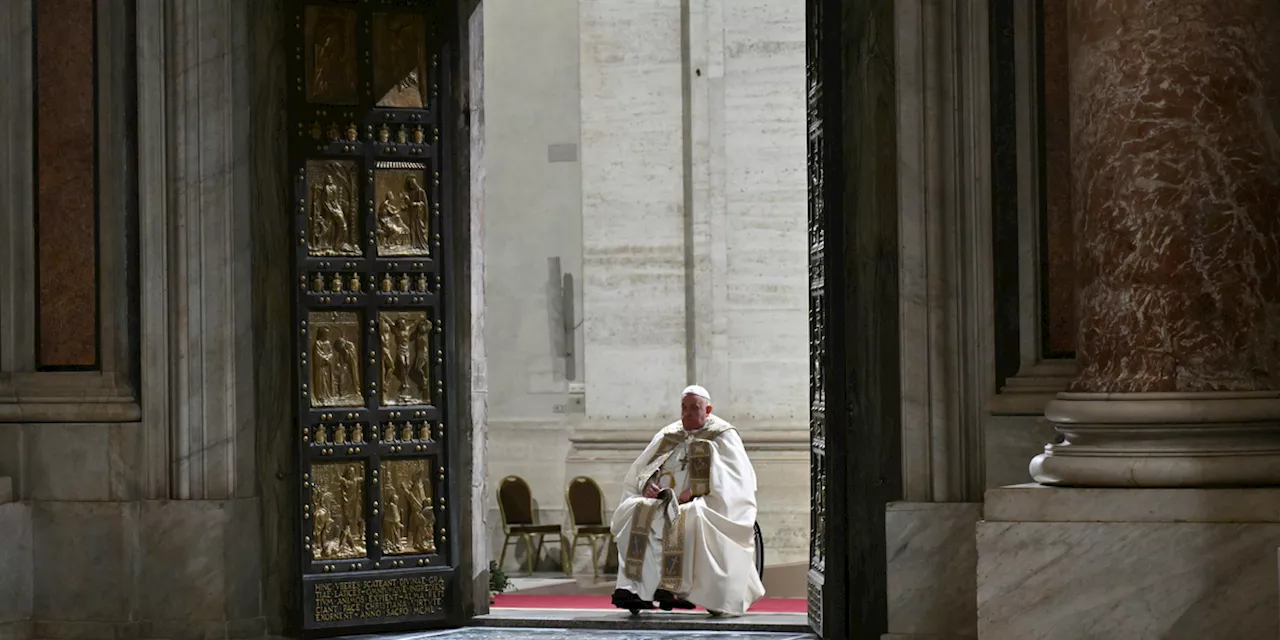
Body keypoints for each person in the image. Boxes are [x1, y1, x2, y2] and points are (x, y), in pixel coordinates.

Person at [609, 385, 765, 617]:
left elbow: (736, 479)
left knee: (690, 515)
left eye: (695, 408)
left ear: (708, 409)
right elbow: (644, 468)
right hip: (661, 501)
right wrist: (647, 484)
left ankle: (674, 588)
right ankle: (634, 590)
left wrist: (695, 491)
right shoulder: (669, 434)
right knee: (636, 510)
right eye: (684, 407)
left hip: (705, 501)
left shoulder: (723, 434)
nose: (688, 413)